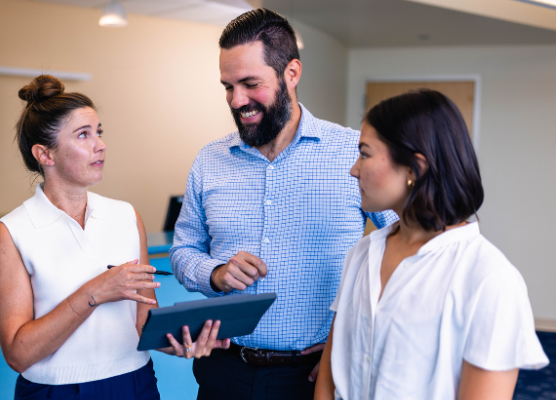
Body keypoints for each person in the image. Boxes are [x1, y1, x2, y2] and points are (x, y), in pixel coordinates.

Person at [170, 8, 398, 399]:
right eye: (227, 86)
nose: (237, 100)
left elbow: (410, 246)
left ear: (291, 73)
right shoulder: (209, 160)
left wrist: (356, 335)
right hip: (222, 372)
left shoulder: (351, 153)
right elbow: (184, 250)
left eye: (249, 83)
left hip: (313, 375)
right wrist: (217, 273)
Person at [0, 75, 229, 400]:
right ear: (45, 154)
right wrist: (94, 292)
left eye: (98, 132)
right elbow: (18, 353)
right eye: (83, 135)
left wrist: (183, 341)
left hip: (135, 384)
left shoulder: (127, 217)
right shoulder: (12, 232)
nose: (100, 144)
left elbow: (144, 324)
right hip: (53, 392)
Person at [313, 89, 549, 399]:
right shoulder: (363, 253)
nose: (353, 169)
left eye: (365, 153)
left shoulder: (489, 278)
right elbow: (330, 372)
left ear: (415, 168)